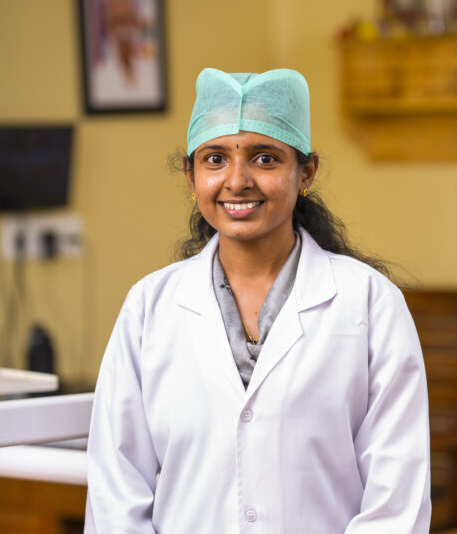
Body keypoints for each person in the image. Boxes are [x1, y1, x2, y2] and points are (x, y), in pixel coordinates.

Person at [85, 68, 431, 533]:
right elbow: (116, 488)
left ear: (305, 172)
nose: (237, 180)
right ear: (191, 176)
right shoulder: (150, 307)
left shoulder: (369, 303)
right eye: (214, 159)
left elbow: (396, 498)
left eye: (265, 158)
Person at [90, 0, 161, 108]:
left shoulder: (153, 70)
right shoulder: (99, 76)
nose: (123, 28)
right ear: (107, 27)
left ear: (136, 22)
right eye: (116, 21)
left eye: (128, 19)